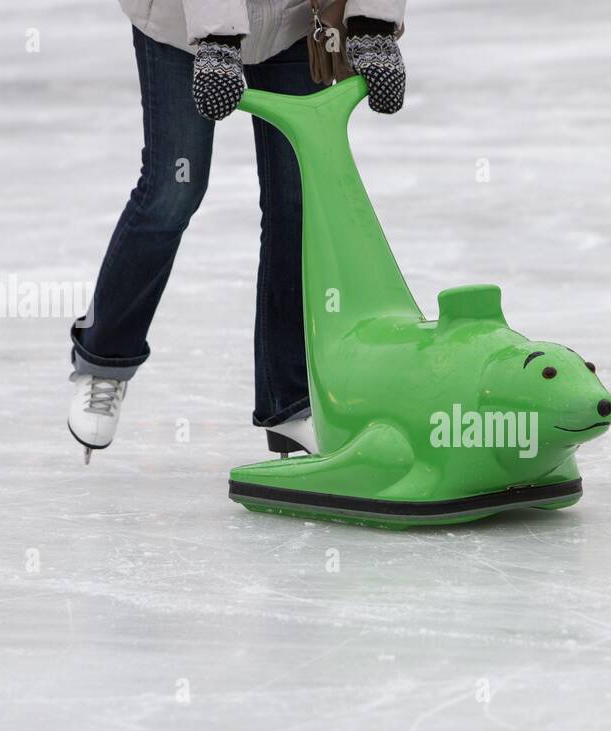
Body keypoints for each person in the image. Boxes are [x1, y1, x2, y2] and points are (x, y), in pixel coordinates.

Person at [68, 0, 408, 462]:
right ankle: (104, 360)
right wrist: (216, 38)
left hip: (291, 22)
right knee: (174, 189)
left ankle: (289, 404)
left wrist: (372, 23)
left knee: (299, 199)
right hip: (182, 23)